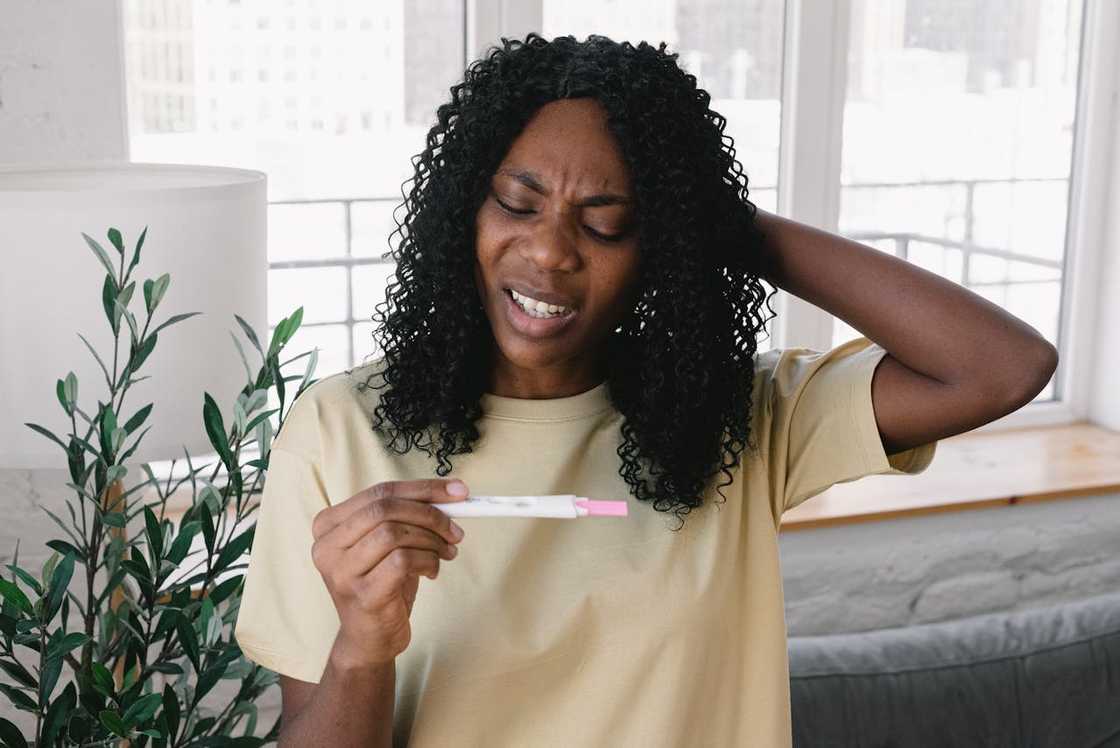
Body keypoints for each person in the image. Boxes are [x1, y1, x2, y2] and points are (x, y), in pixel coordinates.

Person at [233, 32, 1058, 747]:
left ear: (657, 246)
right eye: (518, 204)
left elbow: (1002, 366)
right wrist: (362, 646)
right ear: (463, 212)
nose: (551, 251)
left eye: (607, 223)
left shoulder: (735, 421)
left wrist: (712, 223)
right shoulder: (339, 431)